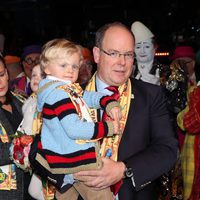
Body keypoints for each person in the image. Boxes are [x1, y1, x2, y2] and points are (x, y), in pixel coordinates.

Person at [73, 22, 178, 200]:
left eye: (128, 55)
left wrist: (123, 169)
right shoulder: (72, 96)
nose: (122, 62)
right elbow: (40, 149)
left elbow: (167, 150)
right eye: (113, 53)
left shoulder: (151, 96)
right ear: (97, 54)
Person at [31, 38, 122, 200]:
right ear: (46, 67)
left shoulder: (63, 89)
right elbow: (75, 129)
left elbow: (86, 96)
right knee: (101, 196)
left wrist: (107, 102)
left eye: (74, 66)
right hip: (76, 161)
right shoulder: (58, 94)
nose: (70, 70)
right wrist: (108, 128)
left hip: (64, 161)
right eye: (63, 65)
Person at [0, 54, 34, 199]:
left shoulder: (23, 100)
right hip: (7, 192)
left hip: (33, 185)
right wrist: (19, 149)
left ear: (7, 73)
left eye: (1, 74)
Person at [131, 21, 160, 85]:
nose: (142, 51)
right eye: (138, 47)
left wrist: (159, 87)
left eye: (147, 46)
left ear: (154, 48)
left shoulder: (165, 72)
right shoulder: (127, 71)